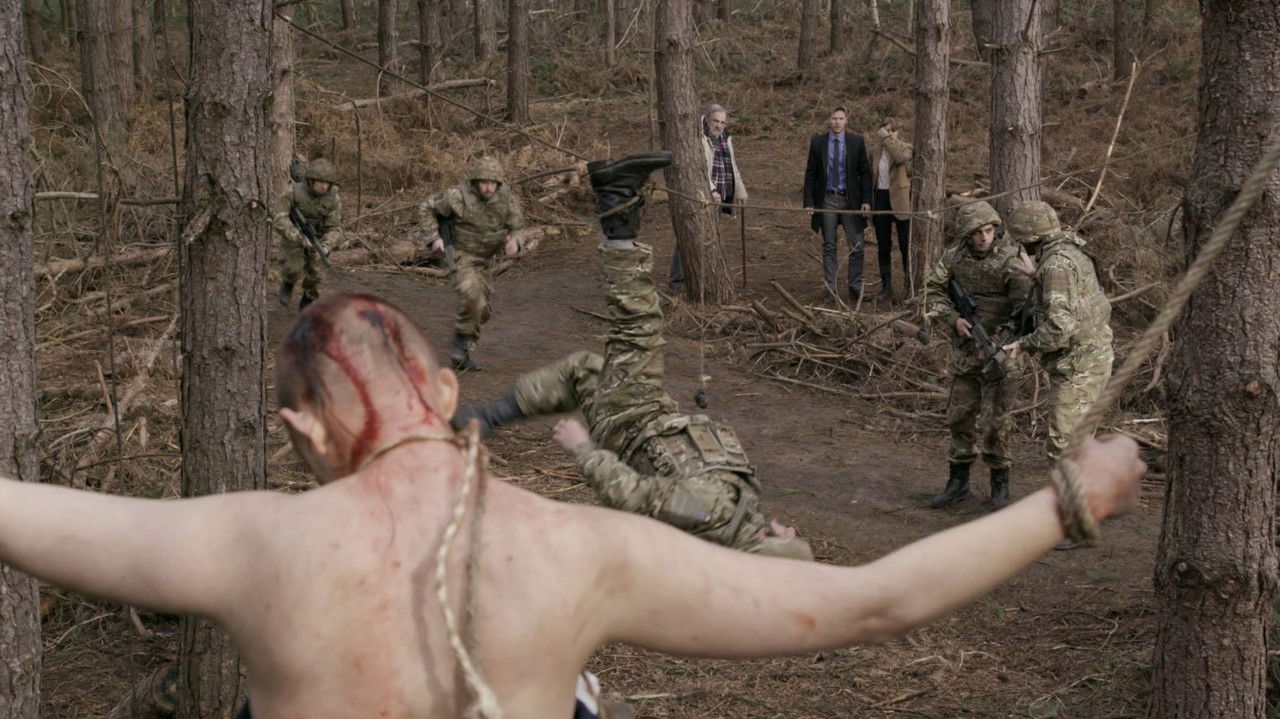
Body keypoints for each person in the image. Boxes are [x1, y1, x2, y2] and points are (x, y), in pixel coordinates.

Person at [0, 171, 1147, 719]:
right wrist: (1069, 497)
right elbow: (872, 601)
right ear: (444, 388)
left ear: (301, 429)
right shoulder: (582, 548)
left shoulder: (248, 543)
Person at [454, 152, 808, 559]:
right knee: (585, 372)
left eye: (788, 536)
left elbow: (632, 494)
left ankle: (616, 201)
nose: (790, 529)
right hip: (647, 414)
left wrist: (582, 448)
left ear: (765, 543)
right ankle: (482, 420)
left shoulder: (709, 511)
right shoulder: (740, 514)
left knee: (640, 326)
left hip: (630, 420)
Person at [922, 201, 1032, 509]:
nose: (983, 237)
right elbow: (932, 291)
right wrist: (952, 319)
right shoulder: (954, 258)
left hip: (1002, 353)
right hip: (965, 353)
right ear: (966, 234)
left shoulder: (1011, 260)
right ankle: (958, 482)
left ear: (996, 229)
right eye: (976, 232)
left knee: (997, 422)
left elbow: (1025, 313)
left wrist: (998, 344)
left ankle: (1000, 486)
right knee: (959, 416)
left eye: (988, 230)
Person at [1001, 200, 1114, 464]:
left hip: (1078, 367)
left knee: (1064, 449)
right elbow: (1075, 297)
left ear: (1028, 239)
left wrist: (1024, 344)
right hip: (1092, 359)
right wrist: (1036, 275)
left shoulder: (1055, 266)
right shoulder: (1070, 251)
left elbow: (1059, 329)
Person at [418, 155, 524, 372]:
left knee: (483, 310)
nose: (488, 188)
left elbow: (517, 226)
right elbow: (426, 208)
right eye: (484, 182)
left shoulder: (506, 198)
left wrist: (515, 240)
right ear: (475, 181)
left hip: (484, 261)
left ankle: (463, 350)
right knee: (473, 296)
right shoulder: (458, 196)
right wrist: (434, 238)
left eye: (493, 183)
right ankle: (459, 347)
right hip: (460, 256)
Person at [669, 104, 749, 291]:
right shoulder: (698, 136)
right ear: (706, 119)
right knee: (690, 236)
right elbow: (697, 166)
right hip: (701, 196)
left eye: (722, 122)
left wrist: (740, 191)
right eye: (715, 121)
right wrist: (711, 189)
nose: (719, 125)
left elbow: (732, 166)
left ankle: (702, 280)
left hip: (720, 198)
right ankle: (678, 283)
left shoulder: (725, 137)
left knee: (710, 238)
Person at [803, 106, 873, 302]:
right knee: (829, 246)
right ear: (829, 119)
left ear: (846, 120)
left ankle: (855, 287)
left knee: (857, 245)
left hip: (850, 200)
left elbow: (865, 173)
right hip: (827, 199)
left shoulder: (856, 142)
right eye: (834, 118)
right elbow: (810, 173)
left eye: (841, 118)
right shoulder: (818, 142)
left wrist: (866, 200)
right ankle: (831, 289)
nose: (837, 122)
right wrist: (808, 201)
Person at [272, 158, 343, 310]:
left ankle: (308, 298)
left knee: (316, 274)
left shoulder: (333, 199)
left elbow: (335, 228)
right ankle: (288, 283)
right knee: (292, 267)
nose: (324, 186)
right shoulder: (294, 191)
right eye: (320, 182)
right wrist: (298, 236)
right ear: (311, 180)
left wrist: (326, 246)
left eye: (327, 183)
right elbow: (279, 218)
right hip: (294, 234)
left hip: (319, 237)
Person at [869, 119, 913, 302]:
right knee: (883, 244)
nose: (889, 134)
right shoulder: (875, 150)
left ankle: (908, 284)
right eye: (886, 130)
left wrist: (887, 140)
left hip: (900, 199)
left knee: (905, 244)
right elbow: (871, 176)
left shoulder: (906, 147)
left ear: (897, 132)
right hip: (880, 198)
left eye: (892, 131)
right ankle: (886, 286)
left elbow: (900, 159)